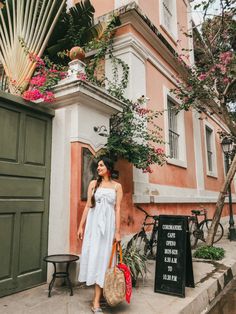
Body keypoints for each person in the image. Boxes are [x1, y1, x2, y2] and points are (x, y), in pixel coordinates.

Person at [77, 156, 123, 313]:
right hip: (93, 227)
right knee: (95, 257)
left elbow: (117, 209)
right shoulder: (93, 184)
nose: (98, 168)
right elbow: (88, 206)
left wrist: (117, 232)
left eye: (101, 165)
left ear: (108, 167)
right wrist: (81, 226)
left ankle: (98, 298)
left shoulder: (117, 187)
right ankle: (96, 300)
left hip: (108, 228)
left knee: (105, 260)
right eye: (98, 166)